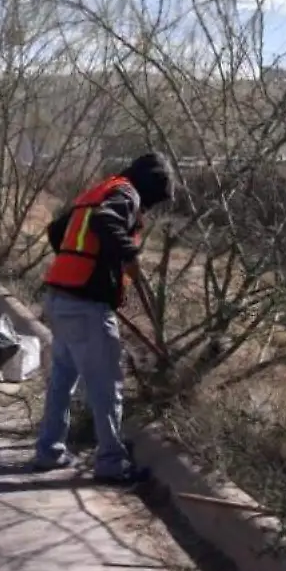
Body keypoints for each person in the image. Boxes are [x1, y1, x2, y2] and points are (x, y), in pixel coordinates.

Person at [32, 152, 175, 483]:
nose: (151, 207)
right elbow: (105, 223)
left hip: (60, 299)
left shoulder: (100, 190)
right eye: (157, 198)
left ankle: (49, 451)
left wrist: (86, 265)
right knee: (107, 386)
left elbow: (57, 231)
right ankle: (111, 463)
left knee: (62, 382)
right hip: (85, 308)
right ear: (151, 184)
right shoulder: (126, 194)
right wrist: (126, 255)